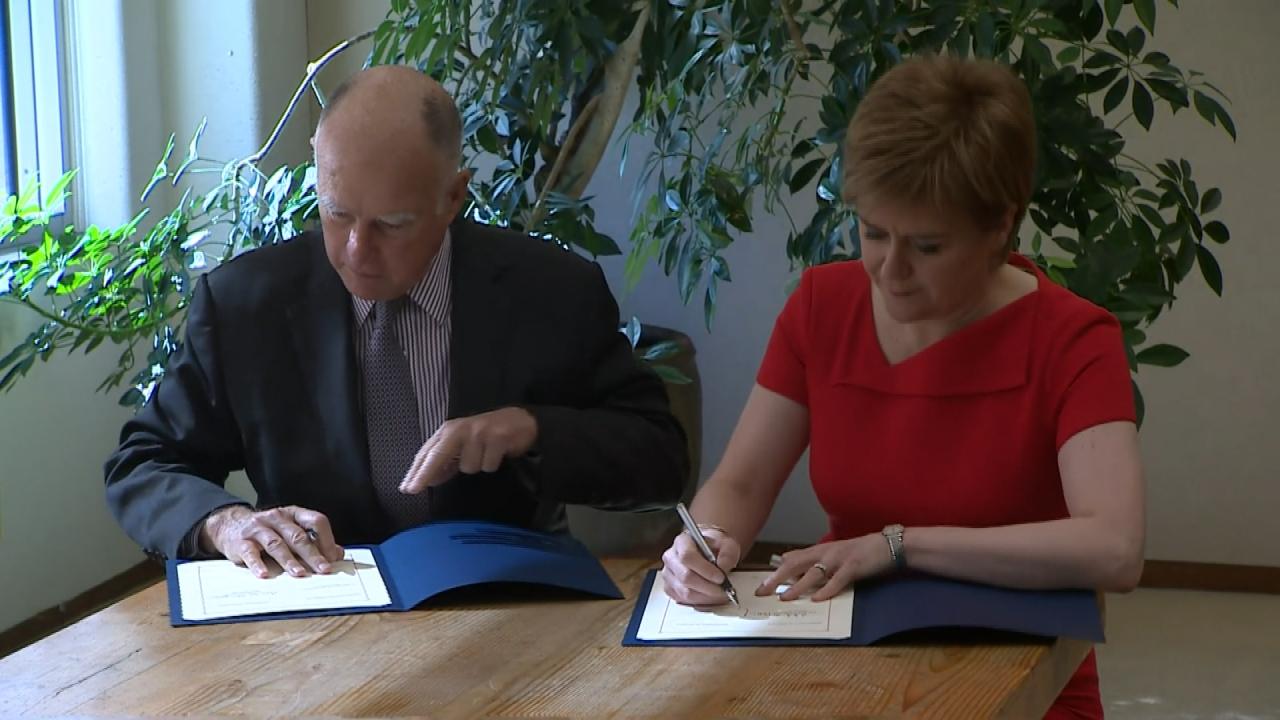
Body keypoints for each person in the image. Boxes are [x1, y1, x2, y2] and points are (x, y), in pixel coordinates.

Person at [659, 54, 1143, 719]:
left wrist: (897, 545)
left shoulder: (1073, 339)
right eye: (873, 233)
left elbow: (1114, 550)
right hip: (848, 671)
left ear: (1000, 224)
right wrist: (707, 541)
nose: (890, 271)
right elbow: (740, 484)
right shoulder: (822, 307)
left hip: (1023, 685)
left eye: (928, 246)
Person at [104, 66, 687, 580]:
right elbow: (143, 462)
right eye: (337, 213)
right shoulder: (245, 306)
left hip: (506, 606)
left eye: (393, 223)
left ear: (453, 196)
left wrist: (532, 429)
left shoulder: (550, 291)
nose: (358, 251)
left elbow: (659, 460)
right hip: (319, 607)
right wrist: (225, 524)